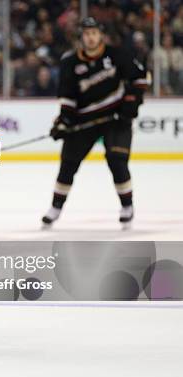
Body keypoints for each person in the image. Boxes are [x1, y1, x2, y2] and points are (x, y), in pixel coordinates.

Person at [42, 18, 150, 230]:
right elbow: (68, 97)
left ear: (101, 35)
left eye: (94, 33)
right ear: (81, 37)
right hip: (84, 120)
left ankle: (127, 207)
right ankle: (55, 207)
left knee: (117, 160)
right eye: (87, 33)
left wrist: (131, 103)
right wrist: (64, 120)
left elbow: (140, 78)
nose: (91, 37)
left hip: (117, 119)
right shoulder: (70, 62)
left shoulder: (118, 54)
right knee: (68, 164)